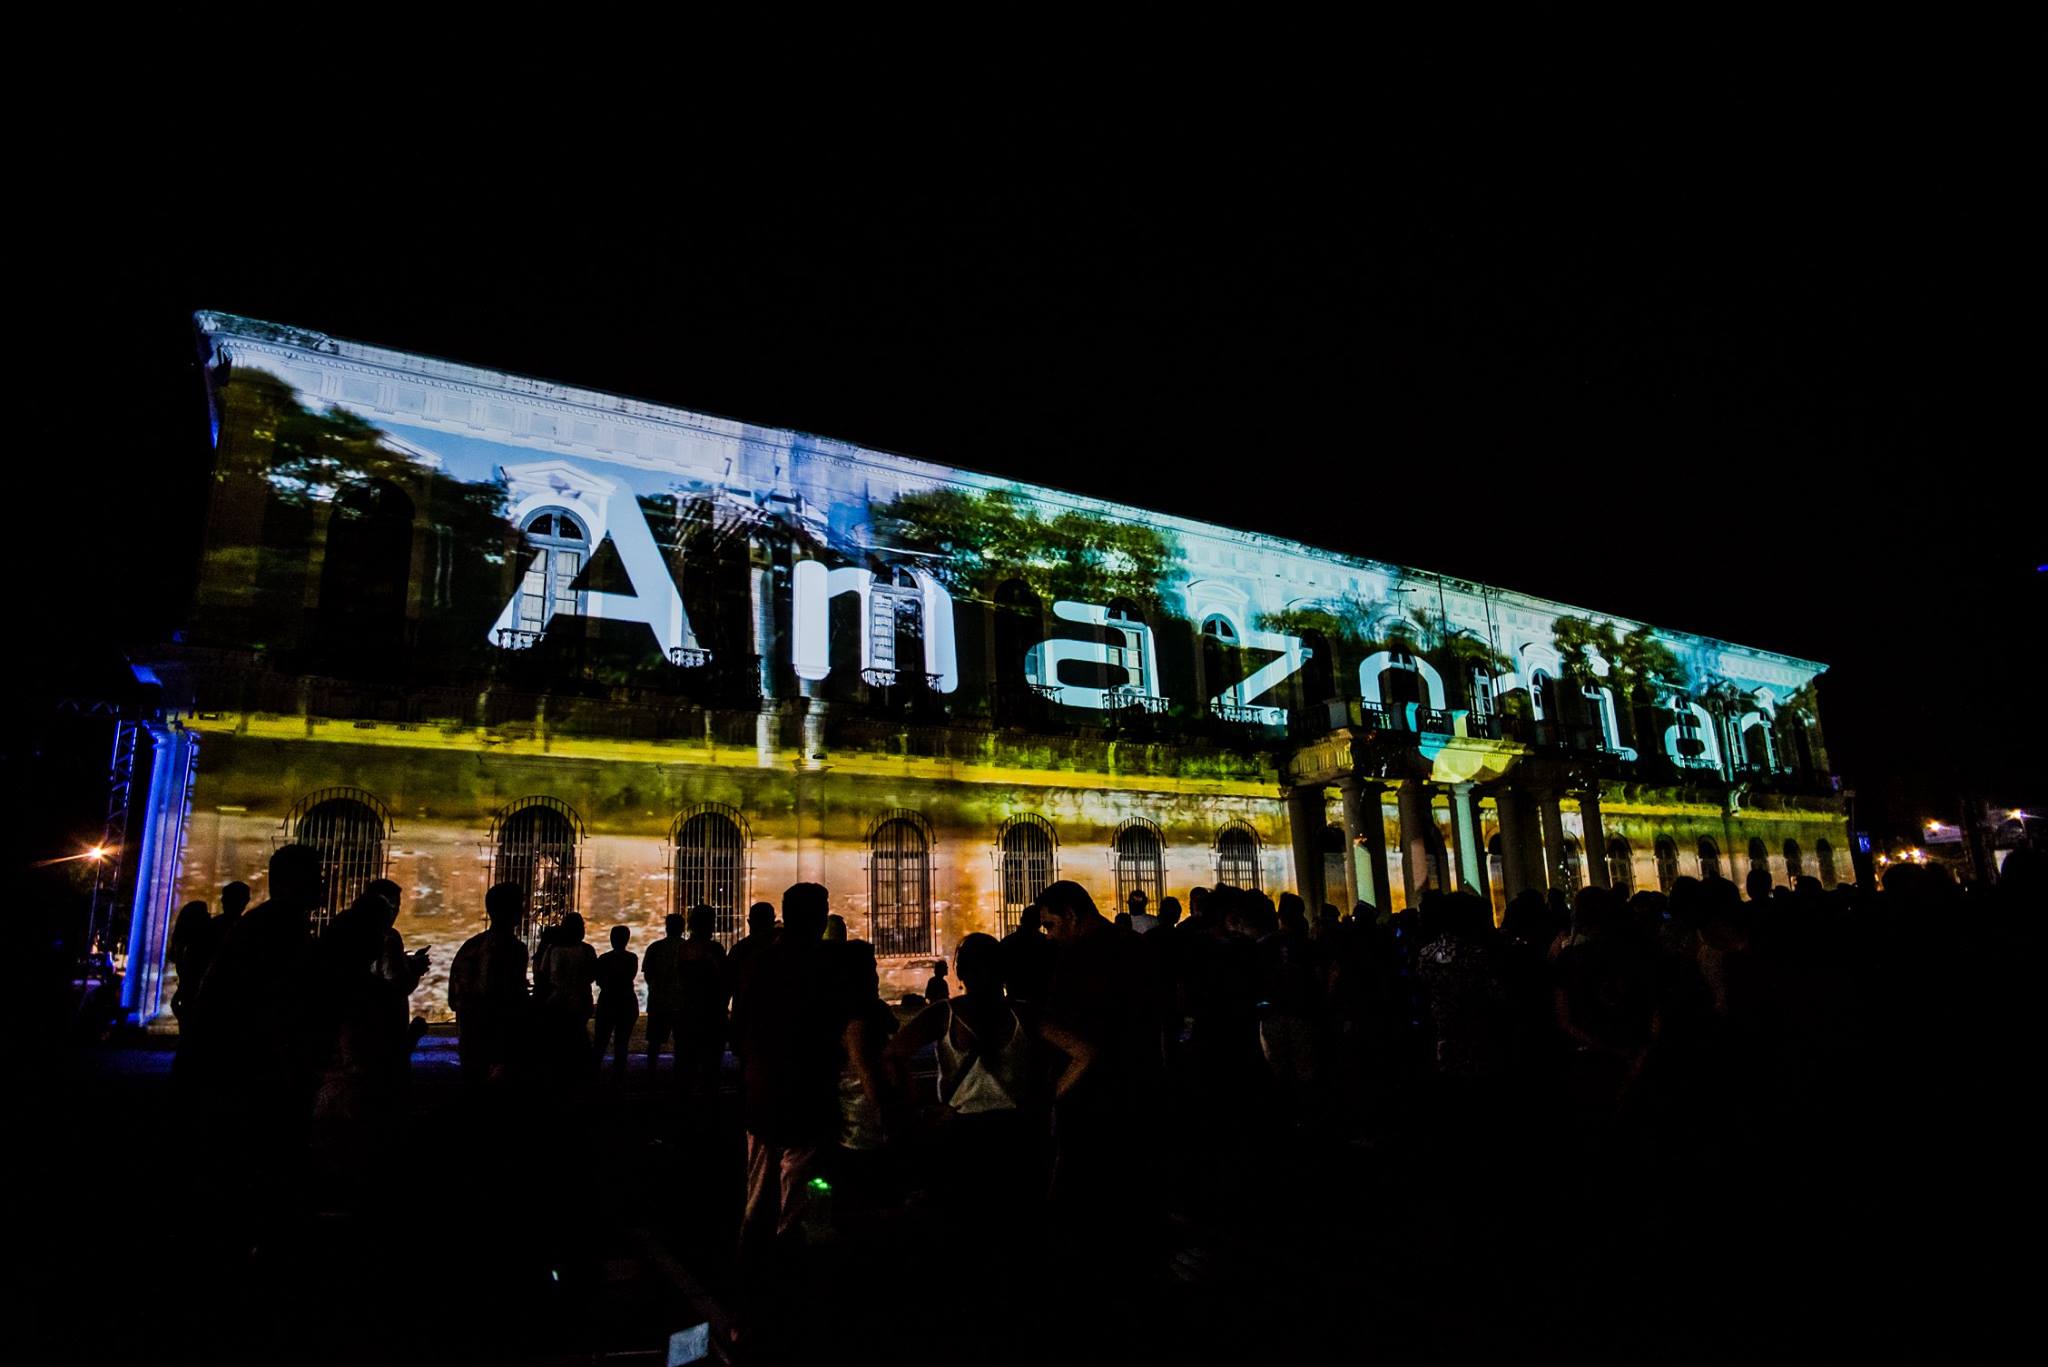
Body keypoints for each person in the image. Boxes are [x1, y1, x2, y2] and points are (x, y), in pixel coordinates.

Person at [732, 882, 844, 1267]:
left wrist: (750, 1065)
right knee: (798, 1182)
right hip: (807, 1090)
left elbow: (739, 1023)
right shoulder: (824, 965)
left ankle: (750, 1253)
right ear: (817, 918)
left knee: (758, 1185)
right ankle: (788, 1258)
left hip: (763, 1088)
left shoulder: (757, 961)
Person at [448, 883, 530, 1089]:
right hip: (500, 1037)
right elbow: (508, 995)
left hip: (470, 1034)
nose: (524, 910)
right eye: (520, 905)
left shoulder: (470, 945)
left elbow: (453, 997)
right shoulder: (513, 949)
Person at [675, 904, 732, 1104]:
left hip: (689, 1012)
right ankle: (709, 1107)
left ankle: (685, 1107)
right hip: (711, 1014)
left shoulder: (683, 949)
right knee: (711, 1068)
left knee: (686, 1067)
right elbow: (724, 980)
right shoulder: (714, 950)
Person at [535, 912, 598, 1078]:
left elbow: (543, 974)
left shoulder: (553, 950)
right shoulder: (586, 950)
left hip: (559, 1000)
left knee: (560, 1039)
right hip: (579, 999)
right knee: (578, 1037)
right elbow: (593, 974)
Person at [643, 912, 686, 1077]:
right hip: (681, 1002)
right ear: (682, 928)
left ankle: (651, 1072)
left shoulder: (655, 947)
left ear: (667, 927)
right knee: (681, 1042)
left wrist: (656, 988)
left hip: (658, 1000)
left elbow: (648, 974)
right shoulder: (687, 948)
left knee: (654, 1042)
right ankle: (680, 1074)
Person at [593, 925, 639, 1079]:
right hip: (626, 1001)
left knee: (601, 1040)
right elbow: (630, 977)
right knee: (622, 1041)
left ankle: (595, 1072)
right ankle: (618, 1074)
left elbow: (599, 980)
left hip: (607, 1001)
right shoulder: (632, 958)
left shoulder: (604, 958)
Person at [999, 904, 1056, 1004]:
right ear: (1040, 923)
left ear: (1021, 920)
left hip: (1015, 1000)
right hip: (1042, 1001)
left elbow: (999, 974)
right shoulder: (1048, 943)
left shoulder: (1007, 942)